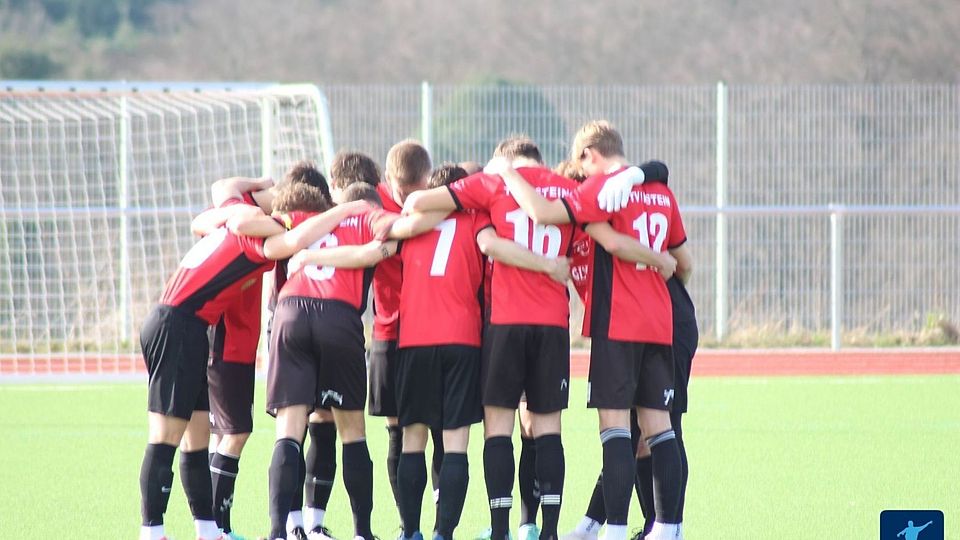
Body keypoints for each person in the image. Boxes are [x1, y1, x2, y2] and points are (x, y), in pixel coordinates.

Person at [491, 121, 692, 540]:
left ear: (589, 155)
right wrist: (660, 264)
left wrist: (505, 171)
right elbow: (684, 262)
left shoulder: (597, 196)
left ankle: (614, 530)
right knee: (662, 429)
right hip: (665, 318)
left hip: (620, 322)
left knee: (617, 431)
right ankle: (667, 529)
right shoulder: (660, 192)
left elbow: (545, 214)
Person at [405, 137, 581, 540]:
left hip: (505, 322)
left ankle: (500, 530)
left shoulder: (494, 182)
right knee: (549, 428)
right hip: (553, 324)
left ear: (506, 158)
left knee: (498, 428)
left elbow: (419, 203)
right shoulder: (568, 190)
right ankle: (547, 531)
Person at [136, 176, 306, 540]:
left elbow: (224, 191)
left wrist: (263, 195)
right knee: (164, 438)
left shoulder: (229, 214)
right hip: (176, 325)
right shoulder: (249, 230)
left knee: (196, 439)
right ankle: (151, 531)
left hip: (191, 329)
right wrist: (291, 219)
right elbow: (279, 234)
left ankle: (208, 530)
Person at [192, 163, 332, 540]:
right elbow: (235, 219)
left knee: (227, 434)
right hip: (227, 339)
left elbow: (222, 183)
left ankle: (213, 526)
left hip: (228, 337)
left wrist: (259, 186)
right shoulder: (258, 221)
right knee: (234, 434)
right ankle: (215, 528)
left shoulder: (243, 205)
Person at [560, 162, 697, 540]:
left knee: (650, 428)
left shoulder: (606, 209)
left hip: (661, 321)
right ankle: (623, 525)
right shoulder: (580, 233)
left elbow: (681, 264)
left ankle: (662, 526)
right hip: (649, 322)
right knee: (641, 431)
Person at [243, 182, 387, 540]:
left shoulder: (304, 218)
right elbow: (392, 239)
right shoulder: (368, 217)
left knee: (288, 431)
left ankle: (278, 531)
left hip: (289, 313)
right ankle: (362, 533)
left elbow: (254, 224)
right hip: (338, 316)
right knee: (352, 431)